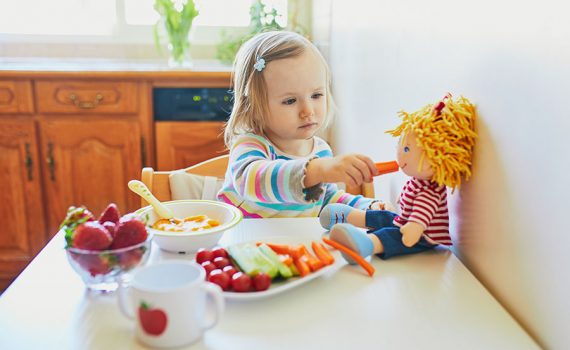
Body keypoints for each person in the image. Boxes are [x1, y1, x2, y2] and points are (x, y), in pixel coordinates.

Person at [217, 31, 386, 218]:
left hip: (295, 243)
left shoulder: (320, 151)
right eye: (290, 101)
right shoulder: (250, 145)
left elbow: (327, 200)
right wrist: (320, 170)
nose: (308, 111)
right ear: (254, 107)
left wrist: (366, 206)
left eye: (316, 95)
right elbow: (252, 181)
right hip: (244, 243)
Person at [319, 94, 477, 261]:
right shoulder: (419, 181)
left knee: (392, 235)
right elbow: (411, 197)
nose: (400, 156)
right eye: (400, 147)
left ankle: (366, 244)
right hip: (405, 221)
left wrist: (413, 228)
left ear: (436, 156)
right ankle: (349, 215)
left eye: (407, 150)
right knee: (386, 216)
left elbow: (422, 214)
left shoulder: (431, 191)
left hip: (421, 236)